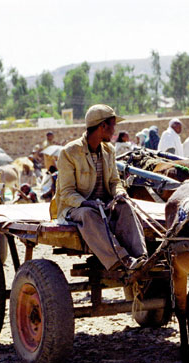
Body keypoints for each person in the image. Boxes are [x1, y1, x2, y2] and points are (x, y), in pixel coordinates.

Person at [50, 105, 147, 271]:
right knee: (89, 214)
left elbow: (114, 181)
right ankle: (120, 260)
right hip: (76, 208)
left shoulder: (109, 150)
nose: (114, 131)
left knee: (126, 206)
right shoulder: (69, 152)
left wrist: (120, 193)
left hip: (104, 204)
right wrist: (88, 203)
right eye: (113, 126)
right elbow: (66, 193)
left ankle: (141, 257)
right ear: (103, 127)